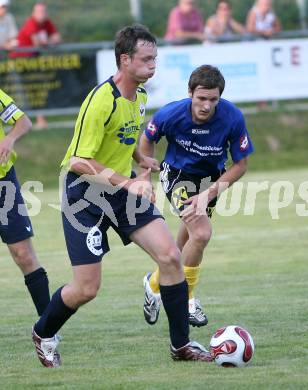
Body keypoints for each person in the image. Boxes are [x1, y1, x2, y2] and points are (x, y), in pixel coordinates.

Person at [31, 24, 214, 368]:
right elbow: (79, 160)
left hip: (121, 191)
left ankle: (181, 346)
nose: (153, 66)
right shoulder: (102, 100)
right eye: (146, 60)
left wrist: (139, 160)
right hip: (85, 195)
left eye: (155, 59)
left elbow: (123, 139)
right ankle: (43, 332)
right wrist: (128, 182)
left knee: (171, 257)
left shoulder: (141, 96)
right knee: (87, 288)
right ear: (125, 60)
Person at [139, 65, 254, 328]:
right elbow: (147, 140)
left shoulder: (232, 117)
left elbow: (240, 165)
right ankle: (187, 298)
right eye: (201, 98)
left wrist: (208, 194)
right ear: (190, 92)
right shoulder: (171, 113)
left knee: (190, 239)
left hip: (211, 181)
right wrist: (145, 174)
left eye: (213, 100)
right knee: (201, 233)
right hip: (178, 175)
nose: (206, 106)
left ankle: (154, 282)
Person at [0, 89, 51, 318]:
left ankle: (48, 327)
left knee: (24, 255)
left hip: (4, 185)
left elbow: (23, 121)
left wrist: (9, 138)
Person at [12, 2, 62, 129]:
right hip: (20, 61)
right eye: (39, 12)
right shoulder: (31, 23)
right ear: (33, 13)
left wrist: (47, 42)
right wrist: (48, 42)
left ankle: (39, 119)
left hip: (33, 61)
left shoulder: (47, 23)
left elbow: (57, 38)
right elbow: (37, 43)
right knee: (30, 90)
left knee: (37, 89)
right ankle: (34, 119)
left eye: (44, 12)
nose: (42, 14)